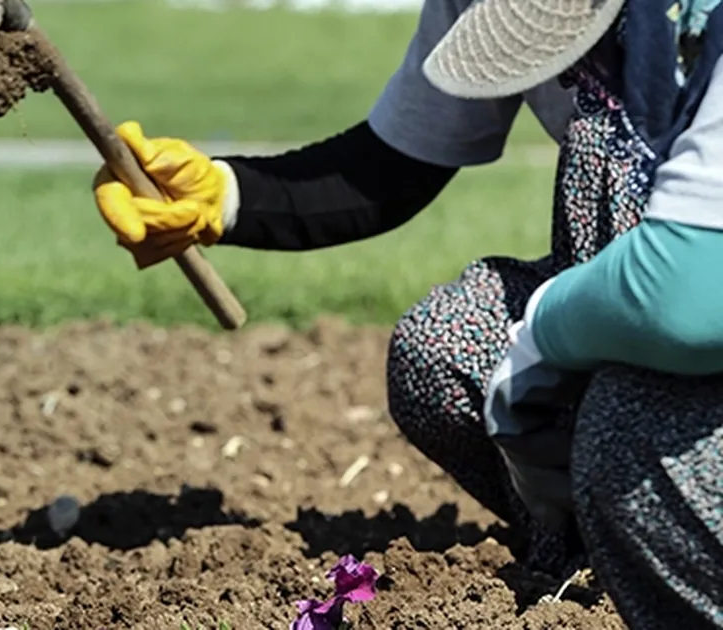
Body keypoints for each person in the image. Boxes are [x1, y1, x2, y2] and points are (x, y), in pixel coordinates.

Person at [90, 0, 723, 625]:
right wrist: (226, 197)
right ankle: (594, 564)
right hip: (624, 297)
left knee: (628, 435)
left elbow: (687, 284)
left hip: (689, 294)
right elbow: (397, 163)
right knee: (442, 348)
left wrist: (543, 337)